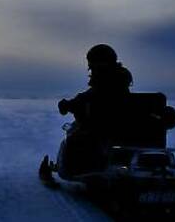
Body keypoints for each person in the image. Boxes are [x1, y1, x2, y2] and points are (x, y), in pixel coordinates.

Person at [56, 44, 133, 176]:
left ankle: (77, 170)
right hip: (123, 127)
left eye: (91, 63)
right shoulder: (119, 78)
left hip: (104, 127)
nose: (90, 67)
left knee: (74, 139)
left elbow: (92, 96)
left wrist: (68, 105)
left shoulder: (105, 80)